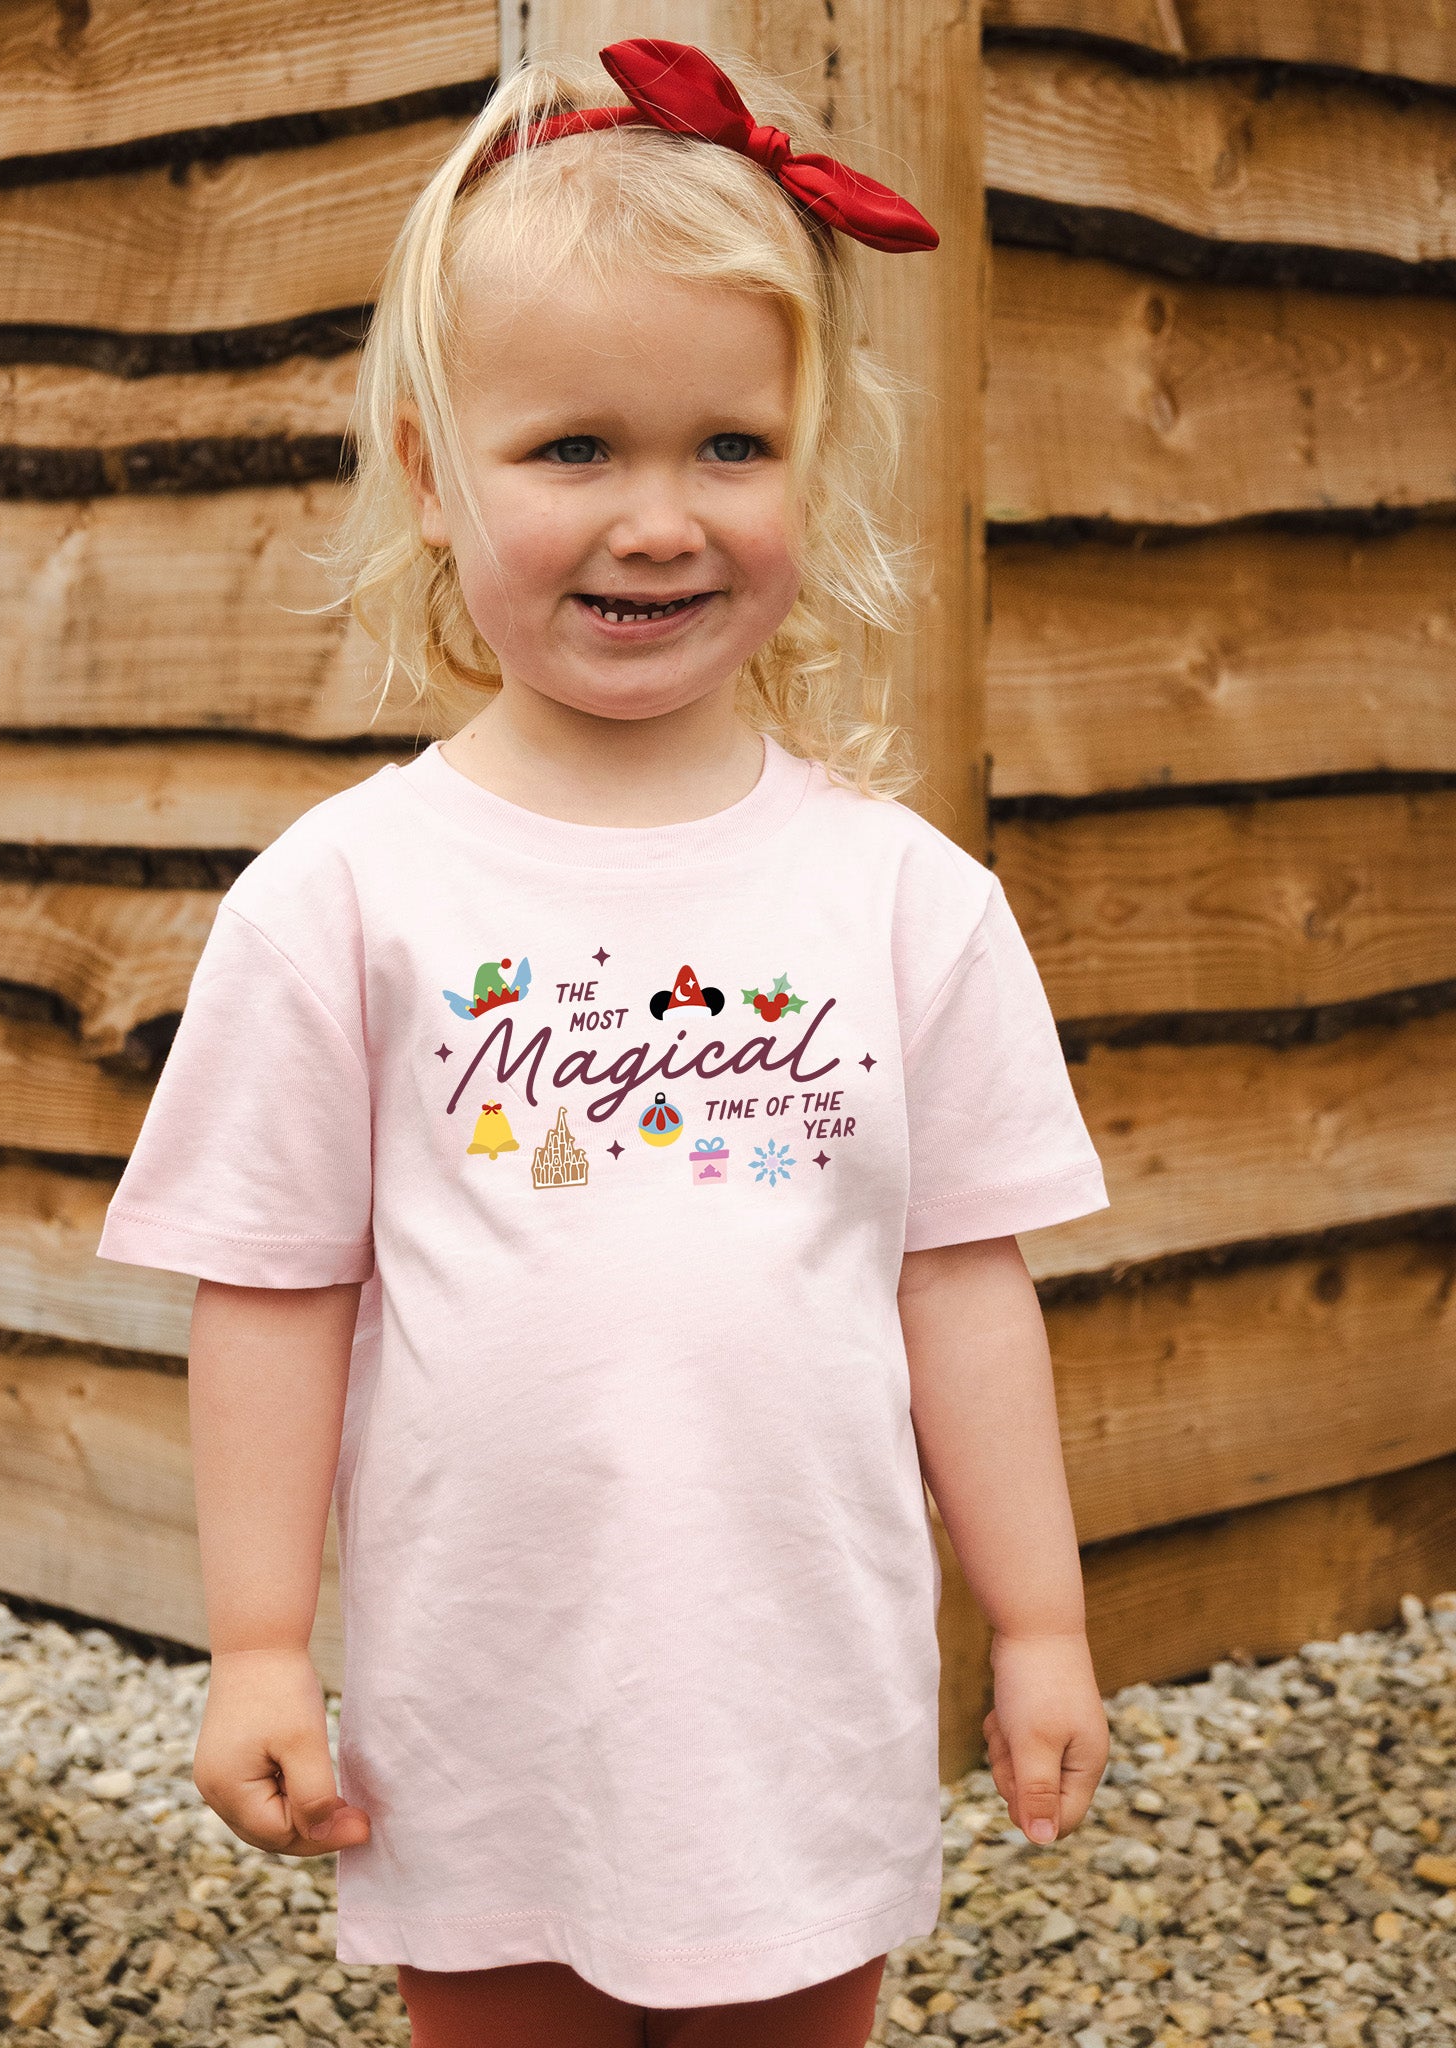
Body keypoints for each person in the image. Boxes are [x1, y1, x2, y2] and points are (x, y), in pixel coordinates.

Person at [96, 37, 1112, 2048]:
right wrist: (259, 1641)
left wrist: (1043, 1623)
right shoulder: (347, 897)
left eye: (730, 445)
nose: (659, 520)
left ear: (814, 463)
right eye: (572, 449)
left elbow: (961, 1282)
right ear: (429, 471)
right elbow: (273, 1289)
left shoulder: (905, 903)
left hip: (801, 1702)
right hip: (484, 1705)